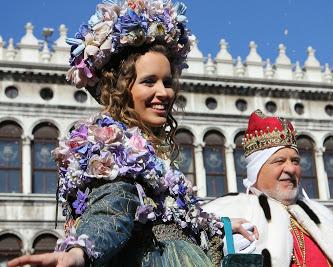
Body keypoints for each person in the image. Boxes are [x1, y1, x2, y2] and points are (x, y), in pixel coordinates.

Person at [7, 1, 257, 266]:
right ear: (122, 88)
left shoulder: (147, 148)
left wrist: (221, 224)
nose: (164, 93)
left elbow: (171, 217)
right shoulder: (111, 145)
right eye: (149, 81)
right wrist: (80, 252)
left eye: (168, 82)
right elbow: (113, 206)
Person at [203, 110, 333, 267]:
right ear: (257, 169)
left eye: (295, 161)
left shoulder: (322, 215)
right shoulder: (230, 210)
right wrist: (217, 255)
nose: (291, 169)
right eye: (279, 161)